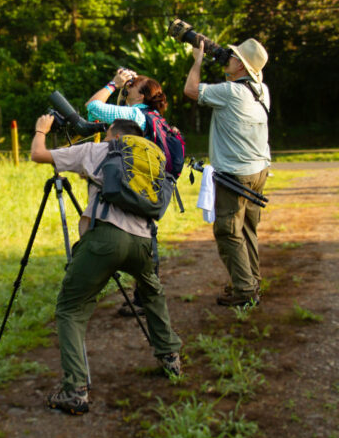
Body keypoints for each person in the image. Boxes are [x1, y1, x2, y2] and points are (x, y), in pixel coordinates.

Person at [31, 114, 182, 415]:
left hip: (105, 240)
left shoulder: (99, 150)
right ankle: (171, 358)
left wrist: (41, 129)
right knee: (152, 294)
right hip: (143, 242)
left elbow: (38, 154)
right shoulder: (152, 157)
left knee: (71, 308)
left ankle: (75, 390)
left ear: (113, 133)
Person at [183, 38, 271, 308]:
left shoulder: (232, 92)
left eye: (233, 57)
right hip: (259, 170)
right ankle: (250, 279)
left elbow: (191, 90)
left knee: (228, 231)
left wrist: (198, 58)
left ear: (242, 67)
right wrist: (218, 54)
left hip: (236, 174)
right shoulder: (261, 89)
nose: (227, 59)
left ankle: (245, 290)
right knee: (246, 230)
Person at [85, 69, 176, 317]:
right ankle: (144, 297)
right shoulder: (155, 116)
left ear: (142, 95)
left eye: (134, 85)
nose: (129, 85)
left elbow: (92, 107)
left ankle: (146, 299)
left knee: (143, 237)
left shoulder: (137, 114)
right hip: (150, 182)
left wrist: (113, 84)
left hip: (136, 183)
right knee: (147, 234)